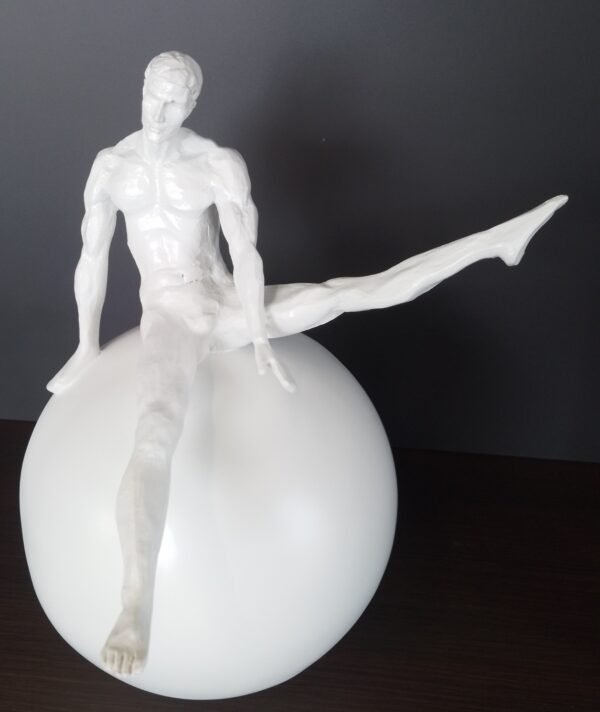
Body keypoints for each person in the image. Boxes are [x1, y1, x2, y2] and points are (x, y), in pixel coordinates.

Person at [48, 51, 566, 676]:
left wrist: (260, 336)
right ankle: (136, 603)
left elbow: (245, 252)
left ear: (193, 104)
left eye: (175, 101)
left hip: (224, 303)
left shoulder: (217, 164)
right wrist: (86, 344)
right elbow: (92, 258)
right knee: (156, 430)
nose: (160, 111)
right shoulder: (112, 167)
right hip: (171, 317)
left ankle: (495, 243)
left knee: (348, 293)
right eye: (154, 94)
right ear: (142, 87)